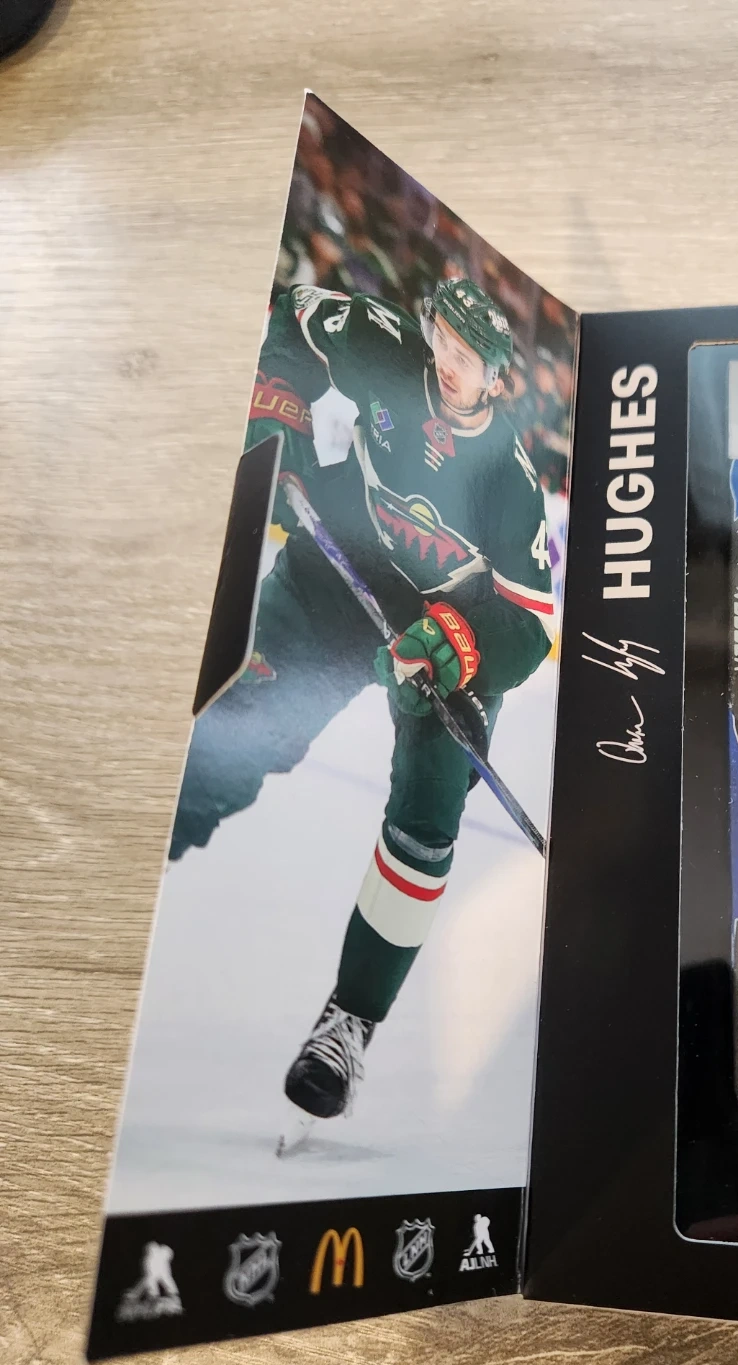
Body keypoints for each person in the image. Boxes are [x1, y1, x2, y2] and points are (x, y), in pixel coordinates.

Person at [170, 278, 555, 1131]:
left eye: (470, 359)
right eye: (444, 343)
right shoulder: (380, 345)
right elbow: (294, 313)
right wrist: (279, 408)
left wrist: (449, 645)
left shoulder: (512, 482)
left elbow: (529, 629)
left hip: (444, 642)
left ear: (496, 379)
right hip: (337, 570)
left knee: (427, 819)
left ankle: (349, 1023)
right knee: (238, 733)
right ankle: (141, 861)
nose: (449, 364)